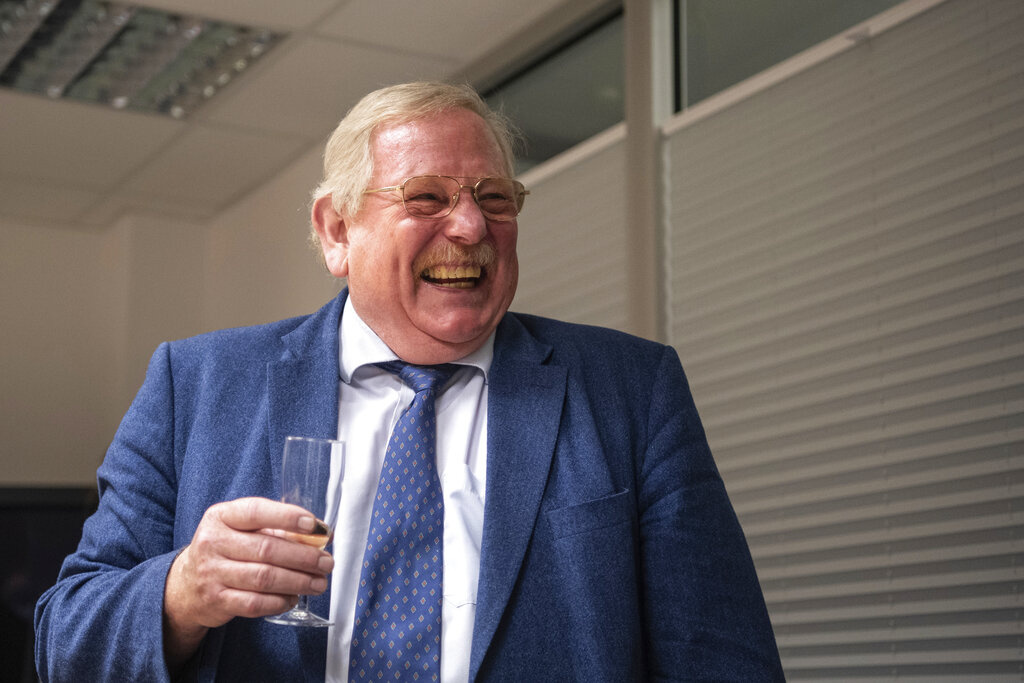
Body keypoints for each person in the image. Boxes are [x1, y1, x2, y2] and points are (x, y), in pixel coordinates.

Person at [34, 81, 784, 682]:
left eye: (495, 199)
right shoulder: (195, 385)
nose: (471, 227)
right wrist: (181, 592)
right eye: (426, 197)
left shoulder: (631, 389)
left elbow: (724, 657)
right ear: (336, 231)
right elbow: (63, 638)